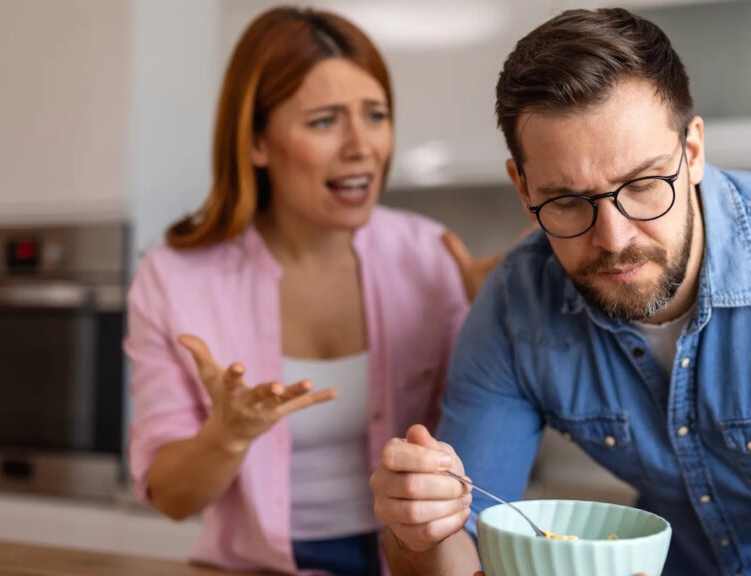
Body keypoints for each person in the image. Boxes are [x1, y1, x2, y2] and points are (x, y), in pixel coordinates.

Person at [369, 8, 751, 576]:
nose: (614, 239)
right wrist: (422, 530)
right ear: (523, 189)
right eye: (568, 201)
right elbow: (467, 548)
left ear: (692, 152)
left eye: (643, 185)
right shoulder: (515, 306)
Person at [124, 7, 497, 575]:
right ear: (256, 144)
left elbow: (478, 442)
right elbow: (172, 499)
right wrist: (227, 435)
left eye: (375, 115)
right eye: (324, 121)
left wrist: (497, 321)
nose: (361, 146)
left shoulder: (431, 258)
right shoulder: (173, 277)